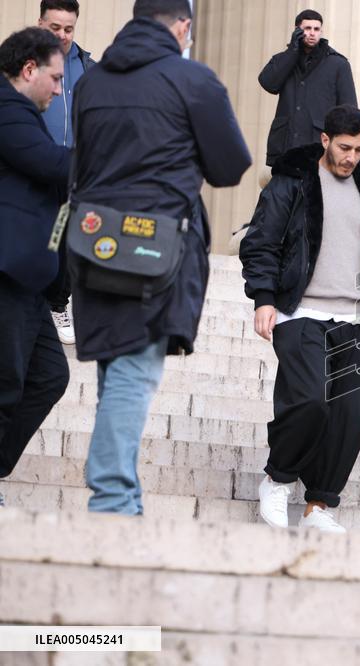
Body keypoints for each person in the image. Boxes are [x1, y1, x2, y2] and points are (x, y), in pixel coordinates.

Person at [71, 0, 251, 515]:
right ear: (183, 25)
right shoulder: (192, 80)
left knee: (115, 362)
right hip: (157, 246)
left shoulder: (91, 81)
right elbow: (229, 166)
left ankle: (115, 489)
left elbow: (79, 162)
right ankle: (113, 497)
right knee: (134, 368)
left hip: (93, 241)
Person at [240, 105, 360, 533]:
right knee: (308, 401)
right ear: (325, 140)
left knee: (349, 416)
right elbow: (262, 241)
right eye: (345, 147)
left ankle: (320, 505)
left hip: (357, 318)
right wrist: (264, 298)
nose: (352, 157)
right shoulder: (293, 181)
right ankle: (278, 477)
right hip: (300, 309)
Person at [0, 27, 71, 506]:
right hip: (7, 271)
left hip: (28, 277)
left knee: (49, 375)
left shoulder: (21, 113)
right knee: (6, 382)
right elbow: (50, 164)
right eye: (55, 77)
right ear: (29, 70)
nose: (59, 89)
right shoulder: (6, 109)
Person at [38, 0, 97, 346]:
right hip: (33, 167)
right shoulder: (22, 62)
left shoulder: (87, 66)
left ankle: (58, 304)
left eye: (68, 28)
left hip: (75, 173)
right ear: (41, 23)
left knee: (67, 240)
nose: (62, 35)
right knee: (34, 237)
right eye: (54, 28)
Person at [258, 9, 357, 167]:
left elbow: (349, 110)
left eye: (316, 29)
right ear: (297, 30)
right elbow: (268, 83)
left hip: (318, 148)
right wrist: (292, 52)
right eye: (307, 28)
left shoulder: (338, 64)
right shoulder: (284, 60)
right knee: (282, 191)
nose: (312, 33)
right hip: (286, 147)